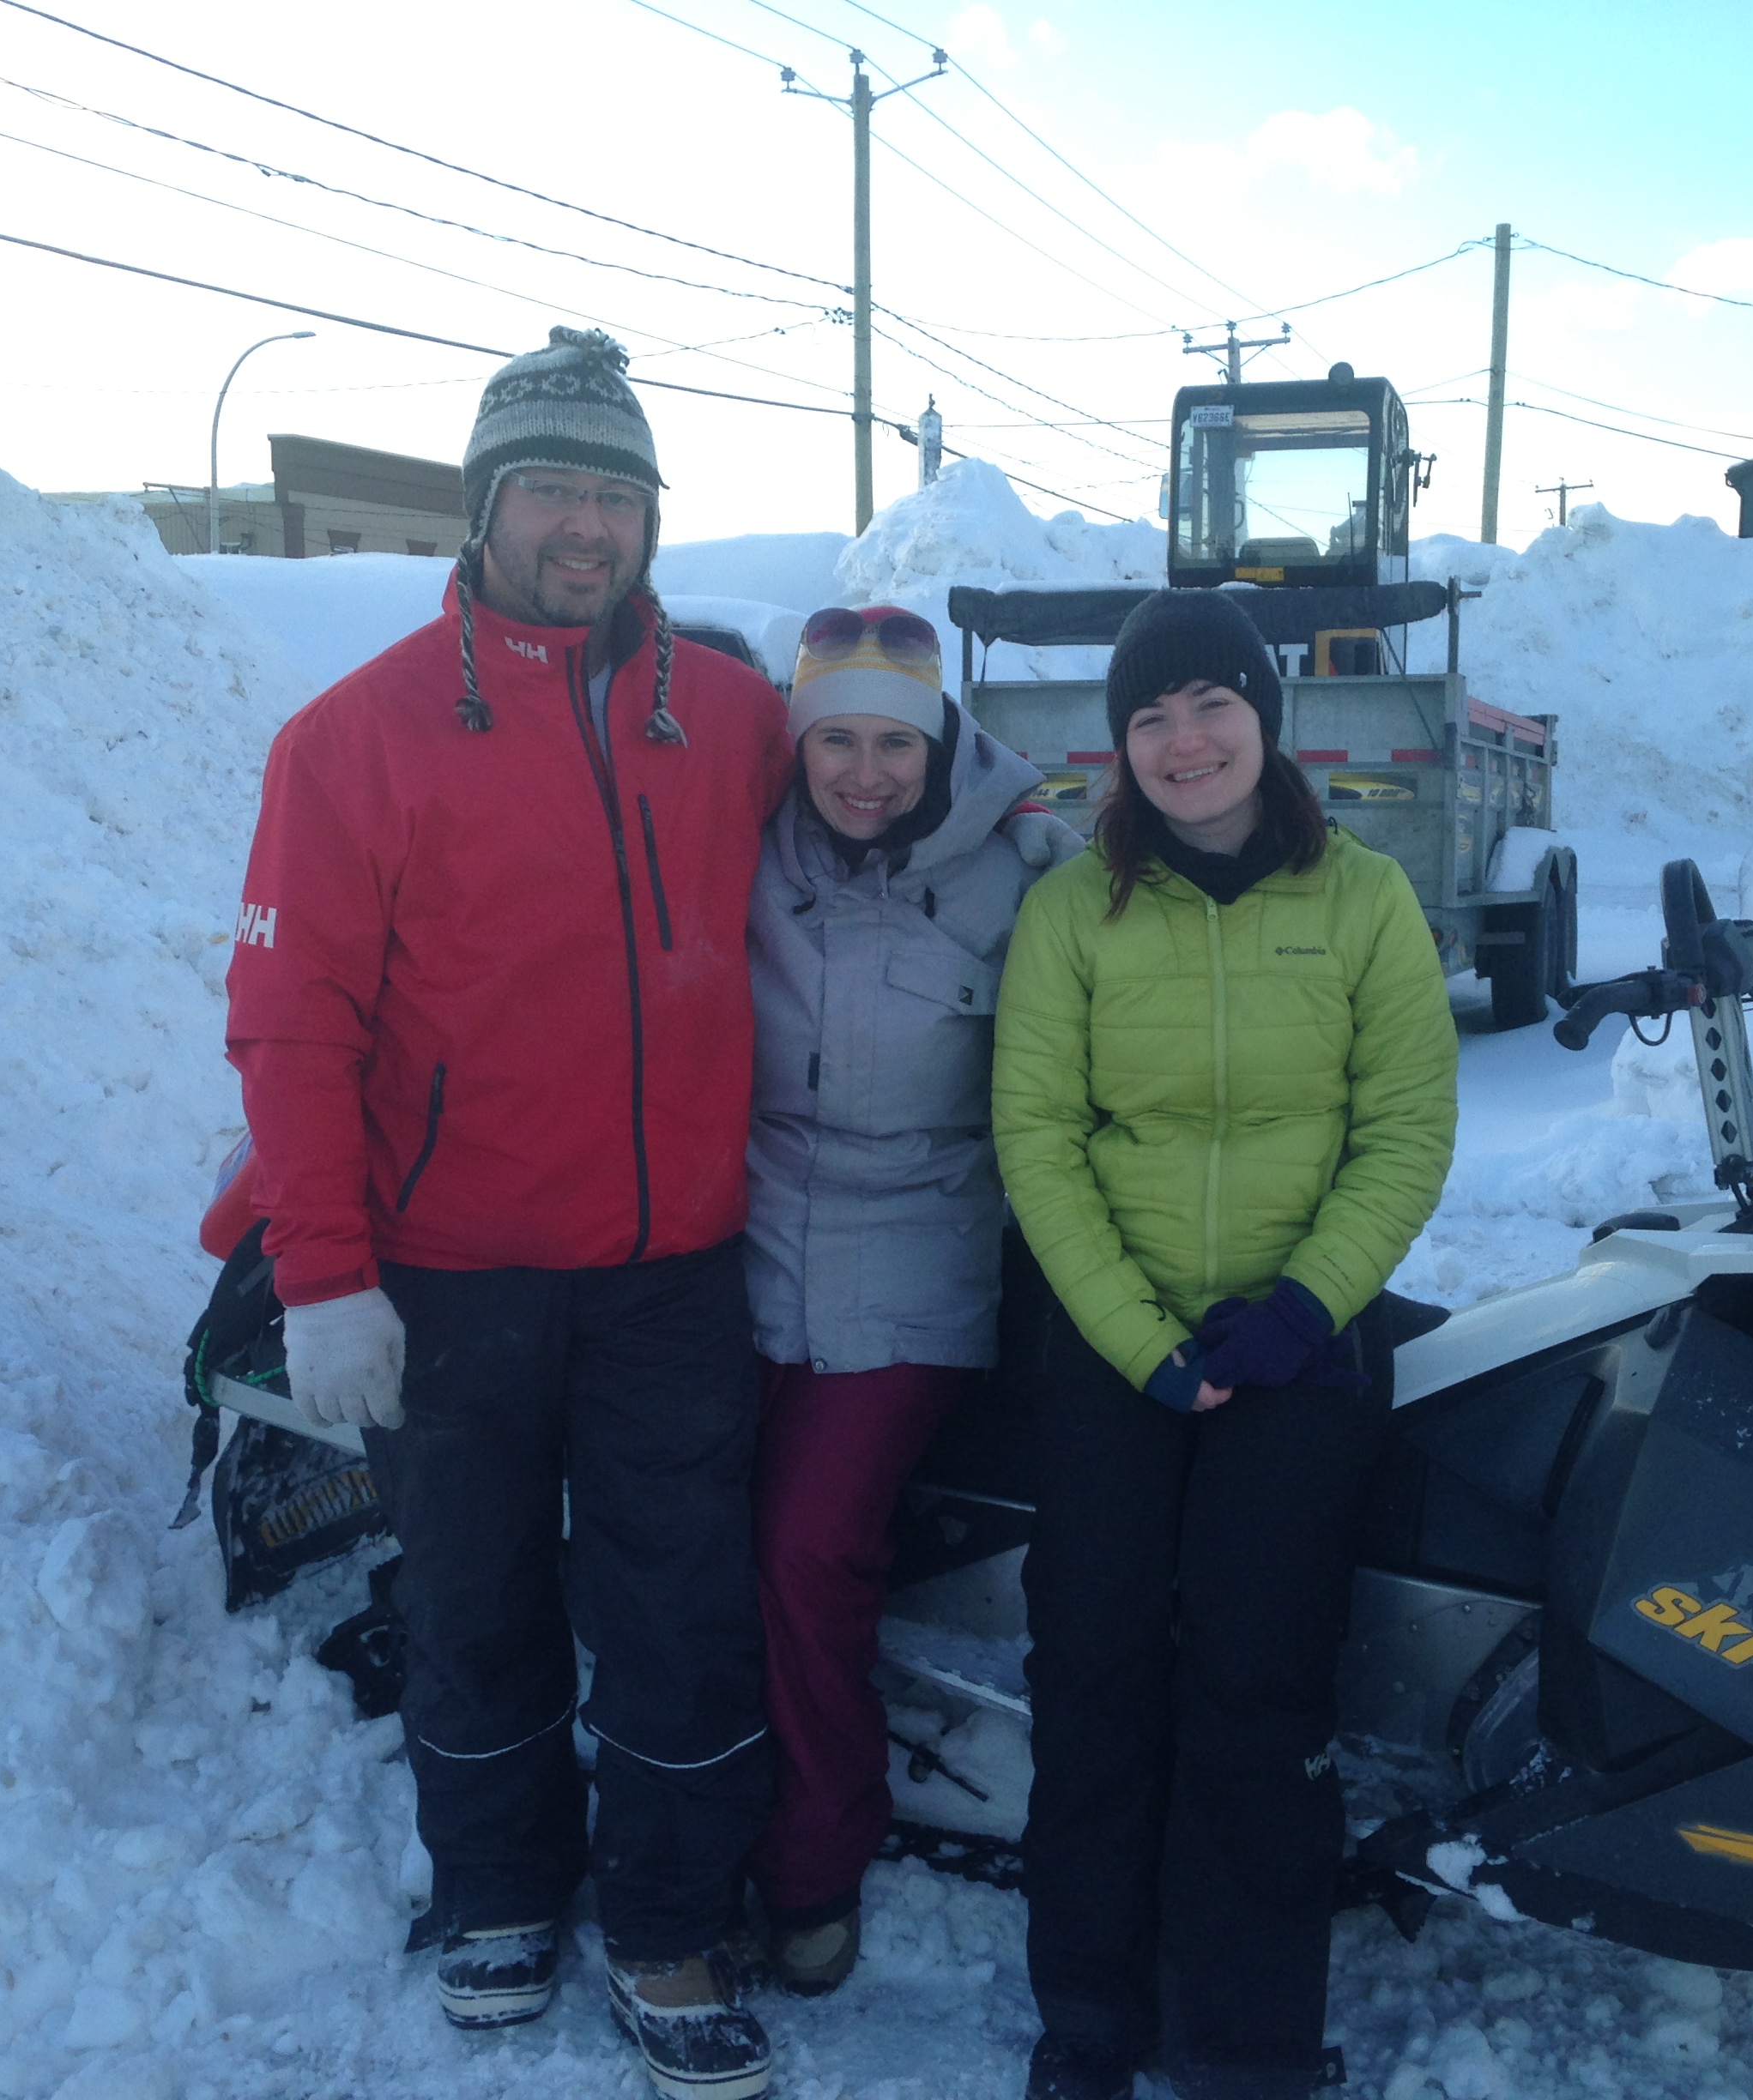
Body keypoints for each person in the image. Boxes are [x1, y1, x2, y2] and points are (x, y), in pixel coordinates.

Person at [224, 328, 790, 2100]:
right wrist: (325, 1277)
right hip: (449, 1274)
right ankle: (498, 1890)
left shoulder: (732, 719)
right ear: (483, 507)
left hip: (672, 1269)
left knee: (681, 1608)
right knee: (471, 1602)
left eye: (617, 493)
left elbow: (894, 796)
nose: (585, 524)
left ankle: (670, 1918)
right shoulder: (355, 738)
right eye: (550, 487)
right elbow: (291, 1022)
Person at [991, 590, 1459, 2100]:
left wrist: (1306, 1307)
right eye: (1150, 717)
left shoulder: (1364, 899)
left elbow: (1405, 1129)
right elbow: (1038, 1138)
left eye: (1211, 706)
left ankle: (1247, 2041)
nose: (1183, 741)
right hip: (1110, 1347)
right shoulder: (1074, 911)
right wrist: (1137, 1342)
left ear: (1266, 718)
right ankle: (1091, 2017)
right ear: (1120, 747)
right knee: (1094, 1673)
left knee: (1261, 1689)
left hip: (1300, 1349)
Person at [740, 605, 1080, 1996]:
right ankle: (686, 1801)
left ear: (943, 746)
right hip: (740, 1236)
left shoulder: (1028, 873)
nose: (866, 774)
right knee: (677, 1533)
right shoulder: (744, 840)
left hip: (920, 1251)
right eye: (837, 741)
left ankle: (814, 1859)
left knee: (806, 1551)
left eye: (897, 743)